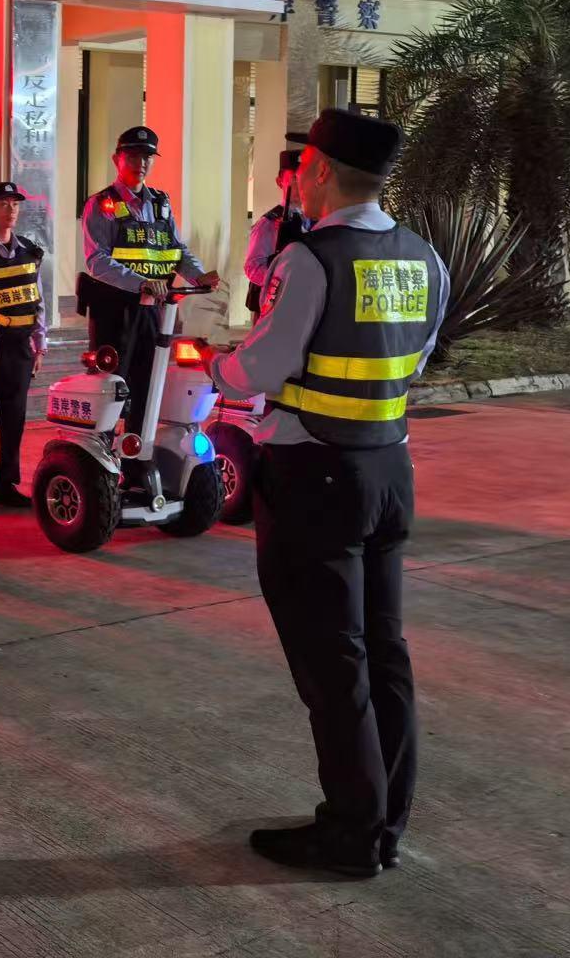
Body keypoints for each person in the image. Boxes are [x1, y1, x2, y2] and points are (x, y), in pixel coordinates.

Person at [209, 110, 446, 878]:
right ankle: (382, 824)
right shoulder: (421, 258)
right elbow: (413, 359)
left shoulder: (310, 259)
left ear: (318, 170)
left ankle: (349, 833)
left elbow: (260, 365)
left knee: (332, 664)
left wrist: (215, 364)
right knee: (384, 653)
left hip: (312, 475)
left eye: (303, 165)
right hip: (389, 471)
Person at [78, 125, 221, 425]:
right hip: (115, 313)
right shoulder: (102, 204)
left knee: (147, 384)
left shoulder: (160, 204)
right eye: (133, 156)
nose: (141, 163)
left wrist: (198, 276)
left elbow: (176, 250)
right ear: (117, 159)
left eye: (147, 157)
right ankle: (102, 448)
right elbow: (97, 261)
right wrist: (141, 283)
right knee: (111, 389)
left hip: (153, 311)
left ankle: (138, 446)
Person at [0, 181, 46, 508]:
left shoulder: (30, 251)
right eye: (3, 203)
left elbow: (38, 300)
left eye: (15, 203)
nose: (11, 209)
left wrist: (40, 343)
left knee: (14, 418)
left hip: (20, 346)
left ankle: (5, 483)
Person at [244, 148, 309, 315]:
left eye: (304, 177)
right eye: (294, 178)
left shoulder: (315, 220)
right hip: (271, 307)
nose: (299, 184)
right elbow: (253, 267)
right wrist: (282, 282)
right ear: (280, 182)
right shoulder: (268, 223)